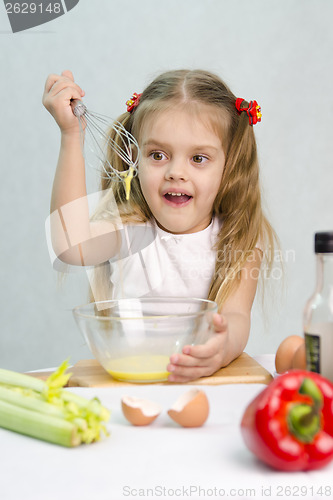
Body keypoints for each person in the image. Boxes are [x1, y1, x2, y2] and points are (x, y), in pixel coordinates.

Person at [42, 69, 277, 383]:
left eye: (198, 158)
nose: (176, 172)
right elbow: (70, 245)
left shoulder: (237, 243)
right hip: (132, 385)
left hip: (202, 388)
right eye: (157, 155)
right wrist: (72, 137)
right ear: (134, 159)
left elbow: (235, 318)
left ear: (230, 166)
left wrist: (221, 349)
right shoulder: (129, 232)